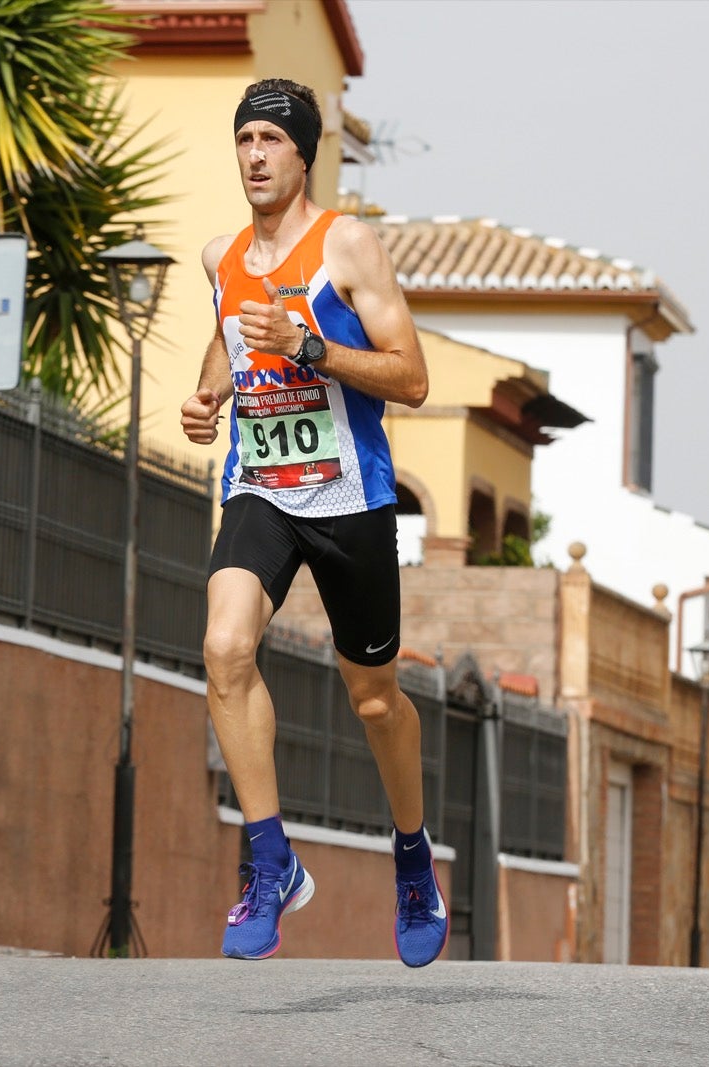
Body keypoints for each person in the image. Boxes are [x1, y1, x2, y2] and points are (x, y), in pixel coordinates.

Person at [180, 78, 444, 966]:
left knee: (373, 697)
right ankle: (270, 859)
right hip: (260, 487)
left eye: (270, 140)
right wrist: (209, 393)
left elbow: (411, 378)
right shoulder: (221, 256)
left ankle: (411, 856)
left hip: (350, 498)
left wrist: (310, 347)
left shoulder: (350, 249)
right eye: (243, 138)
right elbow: (227, 333)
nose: (253, 155)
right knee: (224, 648)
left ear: (303, 154)